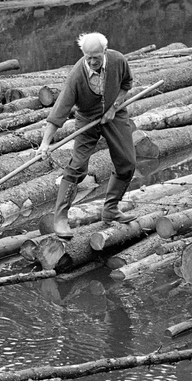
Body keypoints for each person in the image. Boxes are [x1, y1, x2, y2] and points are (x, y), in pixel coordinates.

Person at [37, 31, 137, 239]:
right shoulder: (76, 76)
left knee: (127, 162)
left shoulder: (118, 60)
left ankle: (110, 208)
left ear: (105, 52)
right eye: (87, 57)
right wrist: (45, 143)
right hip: (87, 119)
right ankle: (60, 219)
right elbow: (59, 112)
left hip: (114, 114)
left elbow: (126, 84)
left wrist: (114, 107)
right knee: (77, 167)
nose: (92, 61)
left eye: (96, 57)